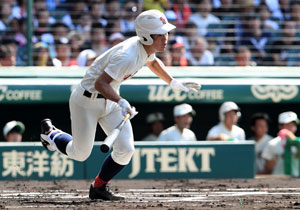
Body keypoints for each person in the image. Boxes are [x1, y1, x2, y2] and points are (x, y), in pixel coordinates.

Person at [39, 9, 200, 201]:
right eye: (160, 34)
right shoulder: (128, 55)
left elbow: (153, 62)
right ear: (147, 36)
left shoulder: (144, 48)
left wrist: (173, 82)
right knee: (80, 153)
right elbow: (100, 83)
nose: (166, 37)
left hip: (110, 100)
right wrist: (121, 101)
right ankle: (51, 134)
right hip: (86, 101)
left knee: (126, 150)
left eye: (166, 32)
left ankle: (98, 187)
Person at [262, 111, 300, 176]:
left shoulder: (298, 141)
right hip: (277, 180)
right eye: (288, 124)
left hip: (297, 180)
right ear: (280, 126)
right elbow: (268, 168)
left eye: (293, 124)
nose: (291, 127)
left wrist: (293, 138)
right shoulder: (272, 143)